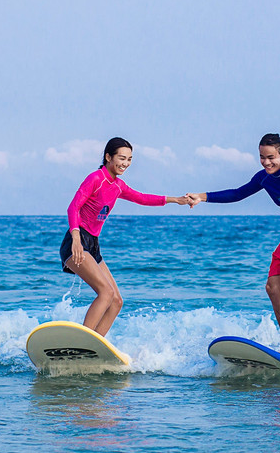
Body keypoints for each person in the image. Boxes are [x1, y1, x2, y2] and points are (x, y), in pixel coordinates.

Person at [186, 133, 280, 360]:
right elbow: (237, 194)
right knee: (272, 287)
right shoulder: (264, 178)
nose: (266, 162)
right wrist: (202, 196)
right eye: (262, 157)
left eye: (271, 157)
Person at [60, 137, 190, 336]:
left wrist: (175, 200)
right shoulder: (96, 178)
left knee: (116, 301)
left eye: (129, 159)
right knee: (106, 293)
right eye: (122, 158)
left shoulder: (118, 186)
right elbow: (73, 207)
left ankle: (96, 345)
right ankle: (82, 341)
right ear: (108, 157)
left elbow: (143, 198)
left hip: (93, 244)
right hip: (77, 240)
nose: (126, 163)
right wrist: (76, 239)